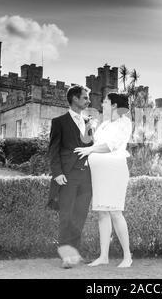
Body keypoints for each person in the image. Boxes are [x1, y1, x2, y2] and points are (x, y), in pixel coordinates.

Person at [74, 93, 133, 268]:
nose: (102, 104)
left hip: (114, 171)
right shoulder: (104, 124)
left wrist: (89, 150)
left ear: (114, 105)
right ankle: (104, 256)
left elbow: (110, 146)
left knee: (115, 211)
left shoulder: (124, 122)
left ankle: (127, 257)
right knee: (102, 213)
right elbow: (89, 141)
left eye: (106, 102)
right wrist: (88, 127)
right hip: (98, 172)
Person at [47, 85, 94, 269]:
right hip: (67, 176)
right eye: (85, 97)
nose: (88, 101)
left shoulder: (88, 121)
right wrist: (57, 173)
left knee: (79, 216)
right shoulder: (59, 122)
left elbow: (92, 147)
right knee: (66, 217)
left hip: (86, 177)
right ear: (75, 98)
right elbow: (53, 150)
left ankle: (75, 254)